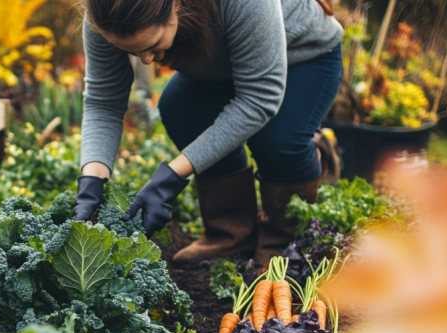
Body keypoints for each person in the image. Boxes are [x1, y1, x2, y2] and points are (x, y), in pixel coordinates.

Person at [73, 0, 344, 265]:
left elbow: (260, 98)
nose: (145, 60)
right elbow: (103, 102)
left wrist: (171, 178)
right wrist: (92, 182)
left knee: (277, 140)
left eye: (153, 45)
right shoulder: (106, 16)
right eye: (132, 52)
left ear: (176, 5)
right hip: (222, 66)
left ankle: (286, 242)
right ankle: (231, 234)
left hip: (303, 56)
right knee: (180, 109)